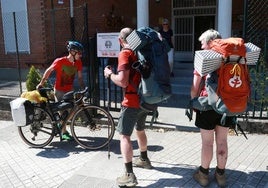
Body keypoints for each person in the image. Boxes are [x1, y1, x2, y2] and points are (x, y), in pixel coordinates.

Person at [104, 27, 152, 187]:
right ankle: (144, 159)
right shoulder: (141, 52)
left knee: (124, 136)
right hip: (145, 99)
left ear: (120, 40)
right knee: (140, 129)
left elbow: (123, 81)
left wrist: (110, 75)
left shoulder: (125, 53)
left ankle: (129, 175)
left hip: (131, 101)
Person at [190, 29, 235, 187]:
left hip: (207, 105)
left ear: (210, 43)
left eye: (203, 43)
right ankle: (221, 175)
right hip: (226, 105)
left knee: (207, 143)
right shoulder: (231, 58)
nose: (201, 47)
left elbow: (195, 87)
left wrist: (192, 102)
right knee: (222, 141)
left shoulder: (204, 58)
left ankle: (203, 175)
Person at [36, 41, 85, 141]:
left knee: (73, 109)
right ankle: (64, 132)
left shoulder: (78, 63)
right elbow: (49, 70)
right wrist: (41, 83)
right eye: (79, 53)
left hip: (69, 90)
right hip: (59, 90)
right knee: (63, 111)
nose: (80, 55)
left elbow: (80, 78)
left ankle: (60, 125)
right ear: (72, 52)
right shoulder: (60, 61)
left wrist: (83, 88)